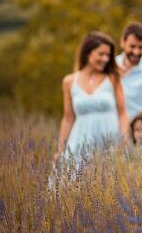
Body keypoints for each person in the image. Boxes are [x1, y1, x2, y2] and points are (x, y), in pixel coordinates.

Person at [55, 31, 130, 162]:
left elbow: (122, 113)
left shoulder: (113, 79)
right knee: (73, 179)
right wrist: (60, 150)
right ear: (88, 53)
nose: (105, 59)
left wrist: (124, 140)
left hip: (109, 141)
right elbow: (68, 118)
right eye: (101, 54)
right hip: (79, 141)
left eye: (108, 55)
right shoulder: (69, 82)